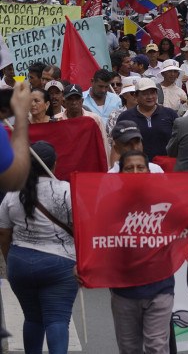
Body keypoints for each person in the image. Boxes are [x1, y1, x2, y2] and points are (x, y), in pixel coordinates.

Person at [0, 141, 77, 354]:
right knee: (57, 318)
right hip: (60, 263)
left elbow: (4, 232)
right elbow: (82, 227)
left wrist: (10, 260)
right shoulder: (67, 191)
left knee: (32, 318)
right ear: (54, 164)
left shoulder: (14, 192)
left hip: (20, 262)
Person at [107, 150, 174, 354]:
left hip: (159, 288)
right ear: (120, 173)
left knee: (156, 347)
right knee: (129, 349)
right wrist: (83, 265)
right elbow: (96, 241)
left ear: (148, 171)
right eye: (129, 168)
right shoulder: (108, 204)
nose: (135, 172)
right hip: (123, 291)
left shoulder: (167, 201)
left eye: (140, 167)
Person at [118, 79, 179, 161]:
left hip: (166, 166)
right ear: (136, 96)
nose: (150, 97)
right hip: (137, 166)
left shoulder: (170, 114)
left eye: (153, 93)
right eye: (145, 94)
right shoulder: (125, 117)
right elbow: (118, 144)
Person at [54, 84, 109, 152]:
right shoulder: (56, 120)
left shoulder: (94, 119)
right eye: (70, 99)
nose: (74, 103)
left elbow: (103, 143)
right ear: (64, 102)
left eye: (77, 99)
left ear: (82, 101)